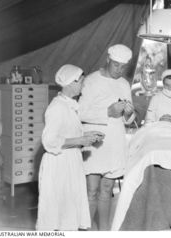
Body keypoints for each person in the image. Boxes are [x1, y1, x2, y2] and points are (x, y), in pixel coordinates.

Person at [36, 64, 104, 231]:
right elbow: (49, 141)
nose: (83, 85)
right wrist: (80, 140)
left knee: (69, 211)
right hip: (58, 163)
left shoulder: (69, 105)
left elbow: (68, 133)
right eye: (81, 81)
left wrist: (87, 136)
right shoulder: (57, 107)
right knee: (56, 212)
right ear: (71, 83)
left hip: (70, 161)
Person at [78, 44, 135, 230]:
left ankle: (104, 231)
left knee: (107, 190)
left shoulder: (124, 84)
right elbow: (81, 113)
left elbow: (129, 118)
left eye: (123, 66)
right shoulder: (91, 81)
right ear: (108, 60)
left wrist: (128, 113)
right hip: (95, 140)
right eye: (116, 65)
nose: (120, 70)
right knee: (92, 191)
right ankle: (86, 230)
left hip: (115, 140)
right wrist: (107, 112)